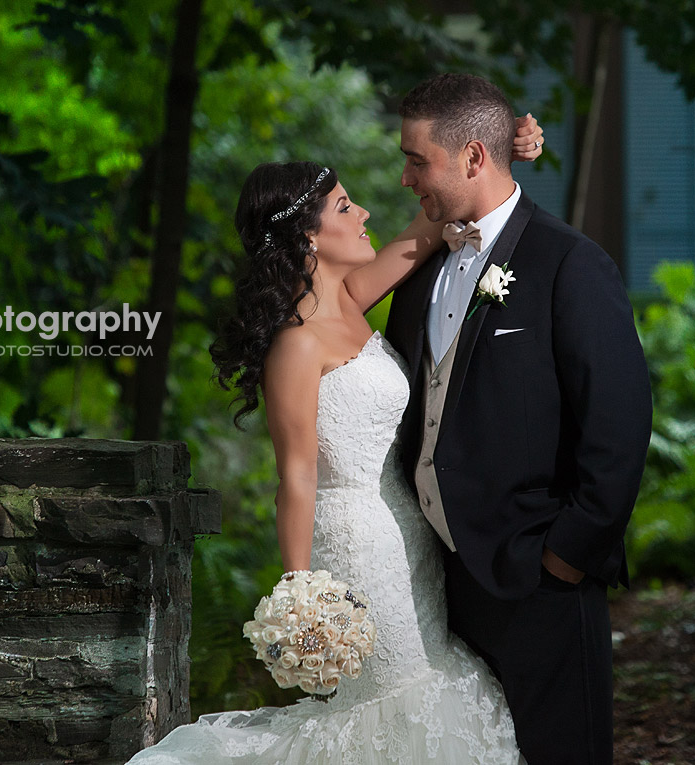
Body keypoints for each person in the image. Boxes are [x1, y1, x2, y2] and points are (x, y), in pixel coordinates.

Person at [124, 115, 545, 764]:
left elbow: (434, 220)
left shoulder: (353, 295)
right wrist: (300, 594)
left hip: (407, 527)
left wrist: (504, 149)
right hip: (353, 542)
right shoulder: (294, 346)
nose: (366, 210)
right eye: (346, 205)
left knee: (424, 681)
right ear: (308, 236)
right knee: (395, 700)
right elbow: (295, 475)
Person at [383, 73, 653, 764]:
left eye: (419, 160)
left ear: (474, 157)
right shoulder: (416, 274)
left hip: (540, 586)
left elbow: (617, 429)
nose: (407, 179)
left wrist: (563, 558)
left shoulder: (570, 264)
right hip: (441, 593)